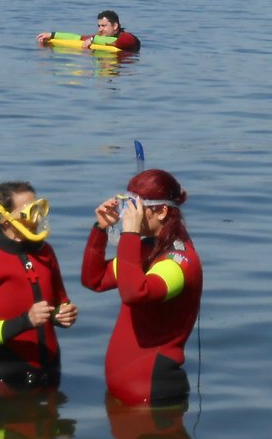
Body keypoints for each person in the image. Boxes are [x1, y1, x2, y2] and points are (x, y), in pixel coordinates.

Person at [81, 167, 201, 407]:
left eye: (134, 207)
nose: (127, 215)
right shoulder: (147, 250)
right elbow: (93, 279)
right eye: (126, 205)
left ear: (162, 211)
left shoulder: (180, 261)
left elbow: (135, 293)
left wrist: (130, 235)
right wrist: (100, 229)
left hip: (153, 395)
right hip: (125, 395)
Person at [0, 179, 77, 392]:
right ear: (5, 219)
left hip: (50, 372)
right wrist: (25, 321)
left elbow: (60, 303)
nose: (37, 218)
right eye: (29, 212)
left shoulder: (45, 252)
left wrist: (63, 314)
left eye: (39, 209)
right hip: (6, 381)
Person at [37, 10, 141, 52]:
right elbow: (79, 38)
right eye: (99, 26)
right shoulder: (98, 37)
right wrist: (52, 35)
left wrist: (93, 39)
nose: (100, 29)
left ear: (115, 26)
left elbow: (118, 43)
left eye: (104, 26)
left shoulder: (128, 37)